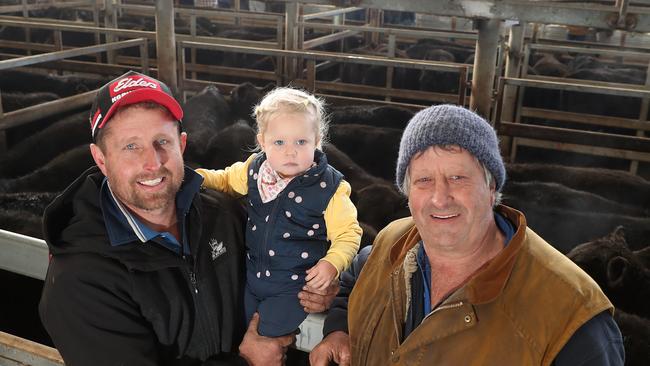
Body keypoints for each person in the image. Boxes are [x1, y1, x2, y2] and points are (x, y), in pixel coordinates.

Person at [38, 71, 333, 366]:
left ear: (181, 145)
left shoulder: (225, 215)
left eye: (162, 142)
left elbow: (280, 259)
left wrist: (315, 287)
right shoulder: (80, 279)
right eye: (131, 146)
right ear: (101, 159)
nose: (152, 163)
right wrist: (247, 363)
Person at [310, 104, 625, 366]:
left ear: (491, 187)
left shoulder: (573, 319)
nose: (439, 198)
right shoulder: (390, 245)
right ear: (407, 192)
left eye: (458, 178)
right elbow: (352, 284)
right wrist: (339, 330)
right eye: (423, 181)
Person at [196, 87, 362, 337]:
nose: (290, 151)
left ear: (317, 141)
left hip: (295, 287)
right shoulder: (255, 170)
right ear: (262, 141)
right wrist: (197, 178)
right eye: (279, 142)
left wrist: (332, 263)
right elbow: (226, 180)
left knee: (265, 334)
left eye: (301, 142)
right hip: (252, 277)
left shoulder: (331, 188)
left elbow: (349, 234)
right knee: (238, 328)